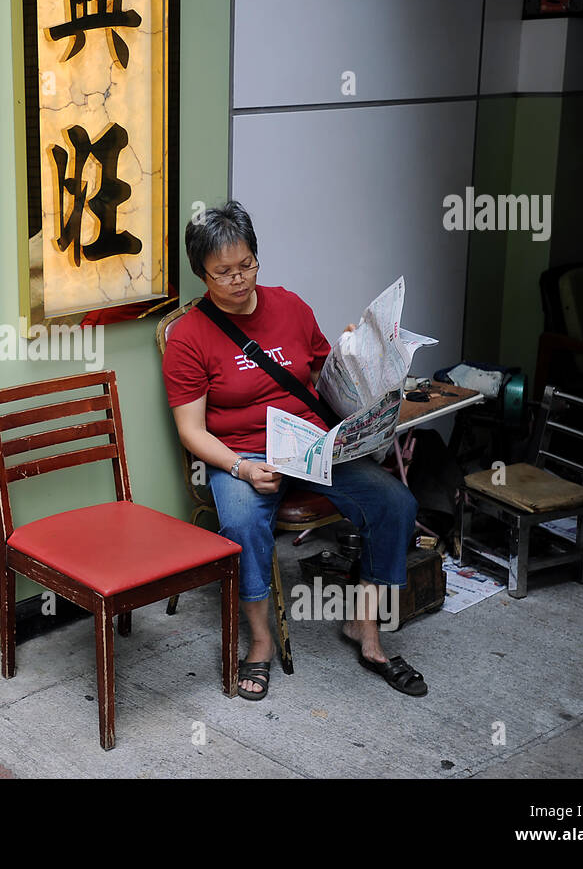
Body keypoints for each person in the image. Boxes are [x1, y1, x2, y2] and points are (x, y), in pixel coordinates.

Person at [161, 201, 428, 700]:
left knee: (395, 504)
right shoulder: (189, 339)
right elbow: (192, 431)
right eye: (224, 273)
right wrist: (240, 467)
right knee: (242, 524)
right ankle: (260, 641)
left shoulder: (290, 306)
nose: (239, 280)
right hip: (241, 456)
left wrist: (359, 354)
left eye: (247, 266)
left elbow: (329, 381)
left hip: (311, 447)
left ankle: (364, 630)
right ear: (202, 274)